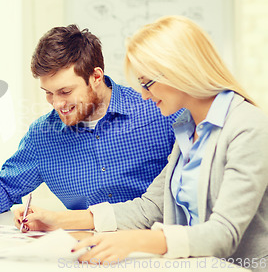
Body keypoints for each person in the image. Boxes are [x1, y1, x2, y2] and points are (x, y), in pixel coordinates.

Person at [14, 16, 268, 271]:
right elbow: (150, 208)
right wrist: (57, 220)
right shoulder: (187, 129)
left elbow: (223, 235)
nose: (144, 95)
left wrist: (135, 240)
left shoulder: (248, 127)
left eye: (147, 83)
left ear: (181, 71)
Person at [0, 24, 179, 217]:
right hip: (86, 249)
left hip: (157, 248)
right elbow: (3, 187)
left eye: (65, 91)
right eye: (48, 93)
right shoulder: (43, 135)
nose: (57, 103)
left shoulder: (160, 111)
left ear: (96, 77)